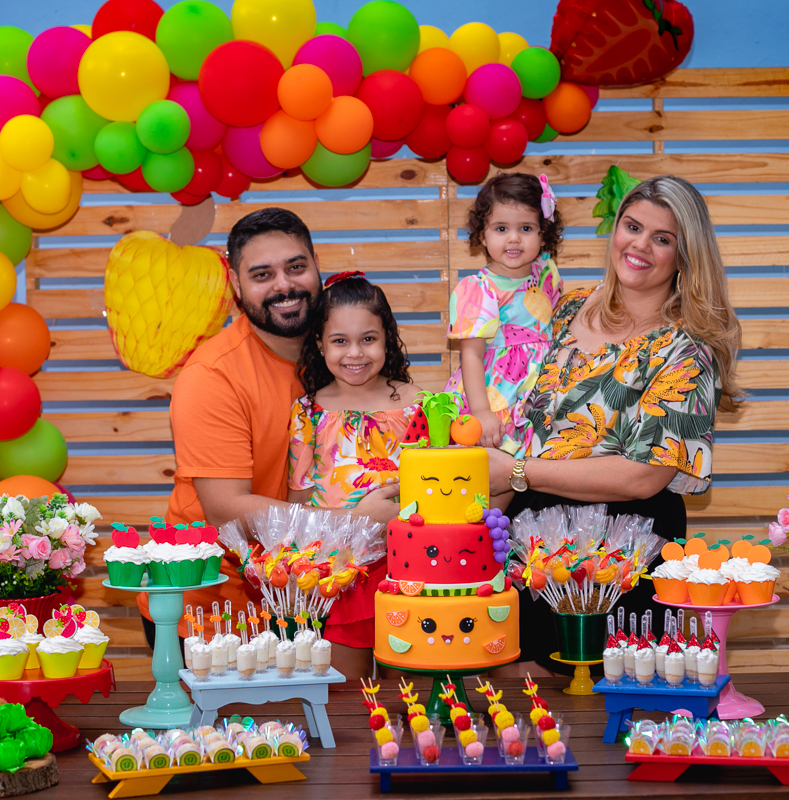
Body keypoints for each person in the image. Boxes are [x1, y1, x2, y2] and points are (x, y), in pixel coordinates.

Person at [488, 175, 744, 668]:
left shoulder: (687, 351)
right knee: (526, 696)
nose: (640, 245)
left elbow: (643, 476)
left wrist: (517, 472)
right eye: (632, 226)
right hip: (531, 545)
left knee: (607, 696)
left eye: (662, 238)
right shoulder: (567, 308)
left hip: (624, 554)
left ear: (684, 256)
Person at [141, 209, 399, 652]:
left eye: (296, 267)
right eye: (262, 275)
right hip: (214, 610)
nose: (284, 285)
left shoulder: (342, 357)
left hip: (312, 595)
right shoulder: (213, 375)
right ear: (236, 286)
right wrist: (356, 523)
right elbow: (226, 509)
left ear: (316, 267)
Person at [287, 271, 423, 676]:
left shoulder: (419, 404)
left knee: (410, 691)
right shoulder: (307, 412)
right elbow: (297, 509)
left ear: (387, 339)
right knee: (344, 695)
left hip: (410, 567)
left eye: (368, 338)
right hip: (338, 572)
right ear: (319, 344)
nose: (355, 353)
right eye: (340, 341)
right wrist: (355, 520)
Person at [444, 173, 565, 459]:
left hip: (540, 389)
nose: (513, 238)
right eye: (501, 228)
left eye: (526, 228)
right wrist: (482, 413)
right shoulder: (478, 289)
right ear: (482, 234)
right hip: (495, 393)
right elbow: (472, 356)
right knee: (492, 463)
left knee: (534, 465)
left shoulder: (547, 274)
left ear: (543, 234)